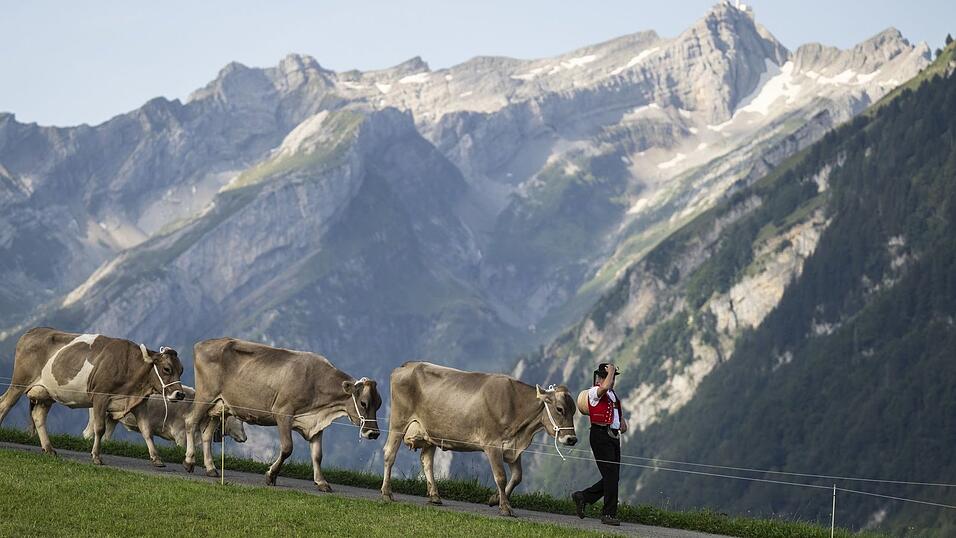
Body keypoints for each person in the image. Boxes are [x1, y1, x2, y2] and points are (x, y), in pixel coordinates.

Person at [571, 362, 627, 526]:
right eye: (610, 377)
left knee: (613, 477)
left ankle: (584, 497)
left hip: (612, 436)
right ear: (601, 377)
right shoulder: (595, 392)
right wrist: (610, 372)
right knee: (610, 476)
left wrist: (620, 423)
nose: (612, 380)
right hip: (600, 436)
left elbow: (614, 409)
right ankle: (608, 514)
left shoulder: (611, 394)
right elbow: (605, 386)